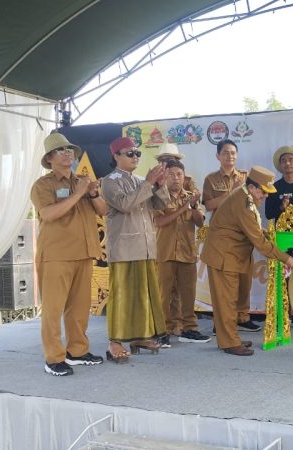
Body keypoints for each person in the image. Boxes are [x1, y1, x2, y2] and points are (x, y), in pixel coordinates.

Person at [30, 132, 108, 376]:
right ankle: (54, 358)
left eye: (69, 149)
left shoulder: (82, 181)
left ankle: (77, 351)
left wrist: (92, 193)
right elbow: (48, 214)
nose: (67, 153)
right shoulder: (43, 185)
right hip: (57, 254)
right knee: (53, 310)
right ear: (49, 158)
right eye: (60, 150)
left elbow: (103, 211)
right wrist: (78, 194)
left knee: (80, 308)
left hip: (83, 252)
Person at [200, 166, 293, 356]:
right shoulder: (243, 203)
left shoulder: (245, 196)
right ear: (252, 187)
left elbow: (251, 228)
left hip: (231, 255)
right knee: (226, 302)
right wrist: (286, 258)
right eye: (263, 192)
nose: (265, 196)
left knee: (231, 301)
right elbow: (259, 243)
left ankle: (229, 338)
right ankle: (229, 343)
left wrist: (265, 233)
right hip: (223, 256)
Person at [101, 136, 170, 361]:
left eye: (137, 153)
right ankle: (114, 342)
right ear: (116, 156)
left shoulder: (141, 180)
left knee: (143, 295)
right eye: (129, 153)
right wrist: (149, 183)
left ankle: (140, 336)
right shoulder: (109, 181)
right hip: (124, 248)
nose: (135, 157)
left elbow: (161, 205)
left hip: (145, 246)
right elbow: (125, 204)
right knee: (121, 296)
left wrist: (161, 185)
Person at [201, 139, 261, 333]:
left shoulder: (246, 177)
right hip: (223, 238)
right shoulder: (211, 179)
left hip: (244, 236)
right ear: (218, 156)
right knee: (223, 285)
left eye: (233, 152)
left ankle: (242, 317)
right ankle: (222, 322)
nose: (230, 156)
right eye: (225, 153)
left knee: (244, 280)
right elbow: (209, 205)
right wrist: (233, 192)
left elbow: (255, 204)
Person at [154, 159, 210, 344]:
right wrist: (183, 208)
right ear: (164, 177)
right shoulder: (158, 197)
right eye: (171, 174)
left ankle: (189, 329)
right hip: (165, 252)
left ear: (184, 177)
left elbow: (200, 222)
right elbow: (159, 222)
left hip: (187, 252)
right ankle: (163, 330)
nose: (176, 178)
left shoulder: (190, 197)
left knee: (188, 294)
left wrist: (192, 206)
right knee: (164, 295)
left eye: (179, 174)